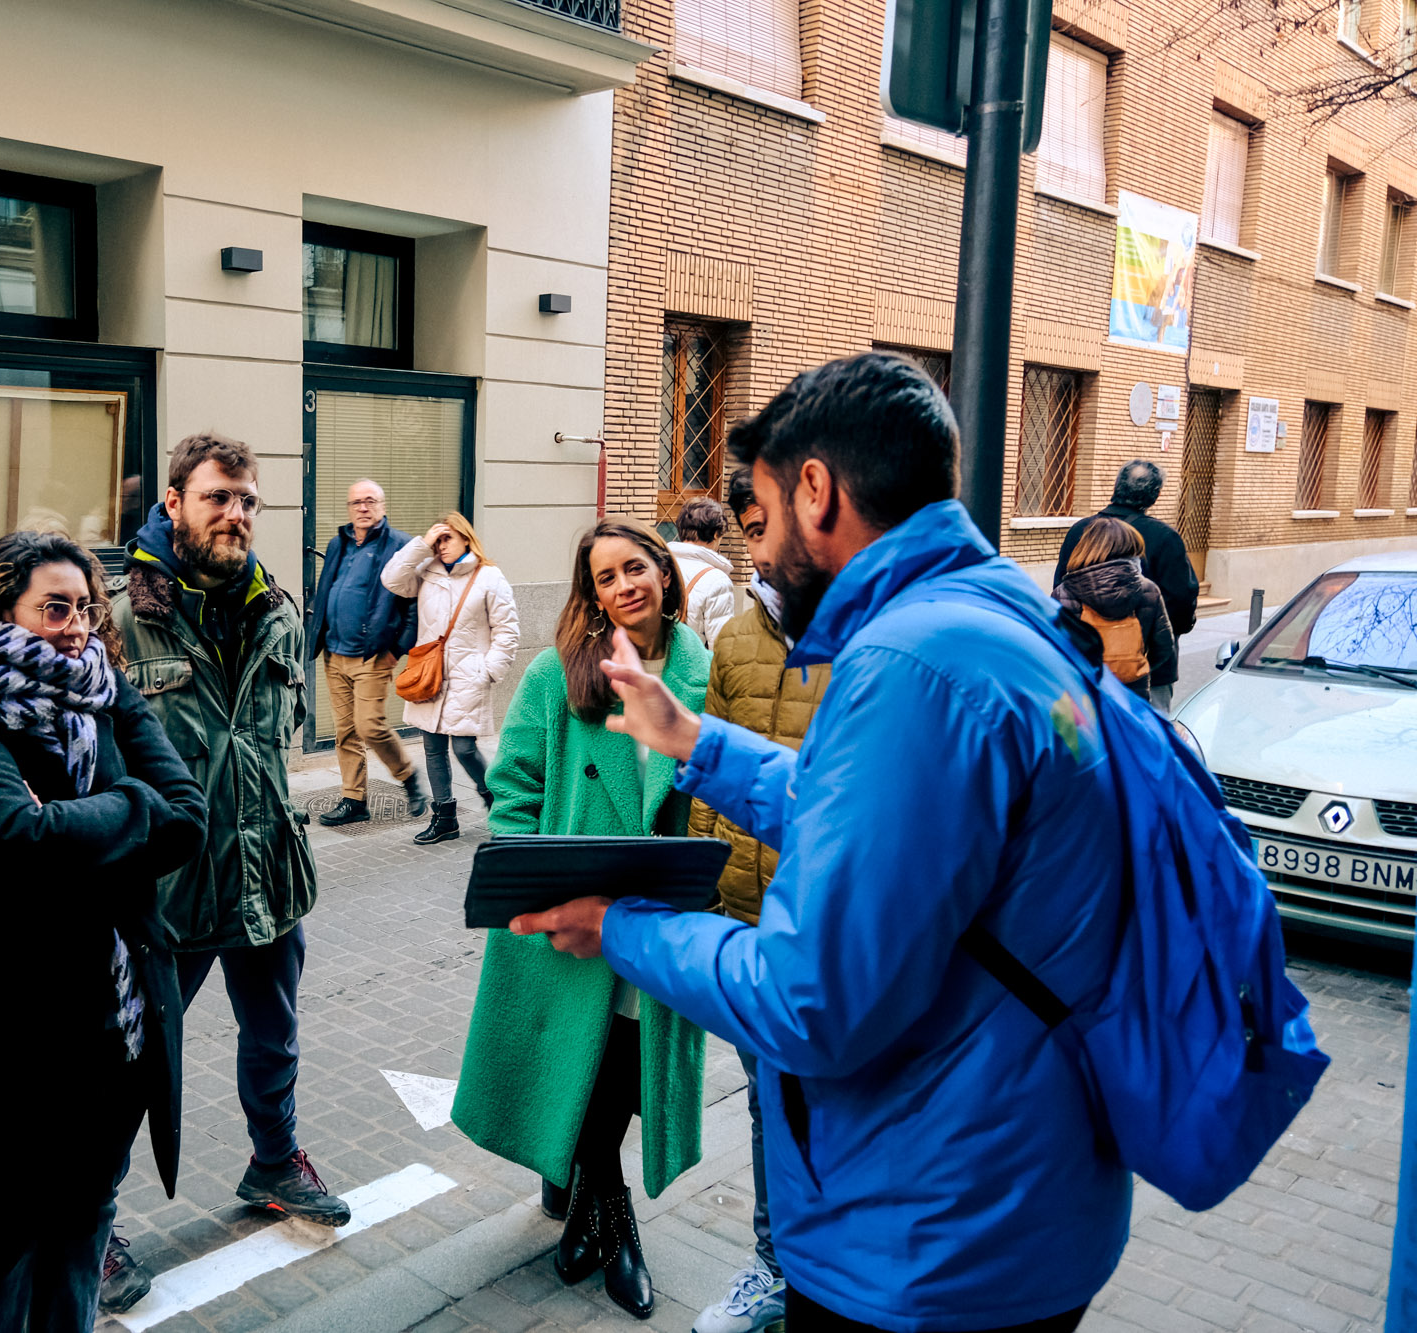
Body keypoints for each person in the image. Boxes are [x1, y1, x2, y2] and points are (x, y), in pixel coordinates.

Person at [516, 353, 1130, 1333]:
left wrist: (619, 928)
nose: (755, 555)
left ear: (815, 489)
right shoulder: (987, 612)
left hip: (925, 1231)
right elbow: (881, 821)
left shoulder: (903, 662)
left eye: (757, 522)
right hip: (1016, 1189)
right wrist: (695, 744)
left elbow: (808, 1000)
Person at [0, 531, 206, 1330]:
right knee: (0, 1240)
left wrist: (74, 821)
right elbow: (16, 838)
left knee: (85, 1226)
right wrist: (131, 811)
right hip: (7, 1037)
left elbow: (187, 816)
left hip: (113, 1029)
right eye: (54, 607)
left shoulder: (105, 689)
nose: (77, 625)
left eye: (85, 605)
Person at [450, 518, 711, 1321]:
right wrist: (531, 879)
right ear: (589, 593)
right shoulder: (558, 675)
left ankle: (591, 1213)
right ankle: (617, 1220)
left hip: (661, 911)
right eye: (604, 577)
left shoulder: (706, 673)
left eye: (635, 567)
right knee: (585, 1062)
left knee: (632, 1067)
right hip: (571, 916)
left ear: (663, 572)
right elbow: (516, 789)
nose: (623, 585)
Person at [112, 432, 353, 1252]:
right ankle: (93, 1222)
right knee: (133, 1061)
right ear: (174, 502)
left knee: (275, 1032)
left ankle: (275, 1163)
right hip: (169, 889)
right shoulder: (118, 622)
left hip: (266, 874)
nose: (237, 514)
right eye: (218, 496)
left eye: (248, 500)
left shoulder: (279, 610)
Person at [685, 471, 830, 1333]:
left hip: (834, 924)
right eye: (750, 526)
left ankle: (829, 1267)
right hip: (748, 917)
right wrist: (710, 890)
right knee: (769, 1100)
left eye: (775, 521)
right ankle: (776, 1264)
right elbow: (710, 776)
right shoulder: (737, 637)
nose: (765, 544)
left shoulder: (870, 634)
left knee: (836, 1100)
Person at [380, 512, 520, 845]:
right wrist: (422, 544)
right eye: (438, 540)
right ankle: (445, 818)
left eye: (447, 538)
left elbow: (507, 630)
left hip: (467, 676)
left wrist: (488, 671)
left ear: (466, 539)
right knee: (432, 747)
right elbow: (391, 578)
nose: (441, 546)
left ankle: (497, 800)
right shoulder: (426, 573)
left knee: (464, 747)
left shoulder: (489, 576)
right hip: (430, 674)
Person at [308, 478, 424, 826]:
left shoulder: (401, 546)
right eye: (356, 502)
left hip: (373, 656)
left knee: (369, 726)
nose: (362, 507)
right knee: (345, 731)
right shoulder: (338, 543)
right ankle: (354, 799)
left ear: (382, 506)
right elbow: (327, 590)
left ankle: (408, 776)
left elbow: (416, 605)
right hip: (334, 653)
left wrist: (395, 650)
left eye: (370, 501)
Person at [1053, 459, 1198, 710]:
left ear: (1117, 487)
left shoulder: (1080, 531)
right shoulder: (1164, 537)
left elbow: (1060, 593)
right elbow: (1181, 603)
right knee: (1148, 739)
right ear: (1155, 495)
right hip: (1148, 672)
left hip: (1085, 666)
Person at [1052, 517, 1176, 704]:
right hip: (1132, 696)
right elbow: (1164, 647)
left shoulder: (1064, 592)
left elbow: (1054, 650)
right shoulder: (1148, 590)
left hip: (1083, 696)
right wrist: (1137, 667)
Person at [669, 497, 739, 648]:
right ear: (715, 534)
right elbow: (720, 646)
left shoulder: (659, 565)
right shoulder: (716, 580)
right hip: (691, 667)